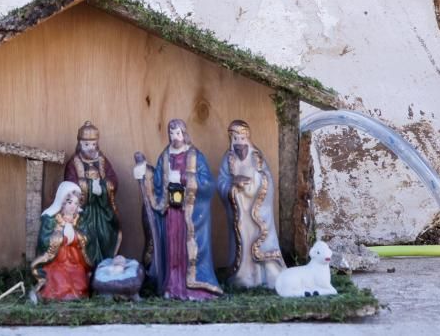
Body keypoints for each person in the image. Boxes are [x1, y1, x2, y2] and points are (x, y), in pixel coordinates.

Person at [133, 117, 220, 299]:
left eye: (178, 133)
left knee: (187, 249)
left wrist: (185, 180)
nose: (175, 137)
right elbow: (157, 180)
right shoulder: (165, 156)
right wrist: (145, 171)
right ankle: (173, 286)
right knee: (173, 249)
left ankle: (193, 287)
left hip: (189, 213)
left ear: (184, 133)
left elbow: (208, 183)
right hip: (171, 212)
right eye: (171, 133)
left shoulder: (195, 155)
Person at [216, 119, 286, 289]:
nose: (239, 143)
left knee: (263, 240)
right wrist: (233, 185)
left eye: (242, 138)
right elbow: (221, 183)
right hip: (240, 212)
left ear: (247, 137)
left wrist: (254, 180)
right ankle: (244, 277)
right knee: (243, 244)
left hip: (258, 210)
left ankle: (269, 276)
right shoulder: (228, 159)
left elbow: (267, 178)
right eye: (235, 139)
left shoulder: (257, 157)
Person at [66, 122, 121, 263]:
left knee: (106, 235)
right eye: (86, 145)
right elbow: (70, 185)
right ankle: (88, 268)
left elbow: (113, 179)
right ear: (80, 144)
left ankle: (105, 265)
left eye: (93, 144)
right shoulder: (74, 162)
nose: (91, 148)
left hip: (102, 209)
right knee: (87, 237)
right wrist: (90, 187)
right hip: (83, 211)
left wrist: (102, 187)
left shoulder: (102, 160)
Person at [33, 181, 93, 301]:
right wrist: (59, 236)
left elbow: (88, 237)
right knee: (60, 282)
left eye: (76, 203)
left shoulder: (80, 220)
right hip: (56, 262)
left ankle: (75, 295)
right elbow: (43, 240)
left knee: (80, 282)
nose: (73, 206)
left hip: (75, 261)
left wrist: (76, 236)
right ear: (62, 202)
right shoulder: (51, 220)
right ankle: (58, 295)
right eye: (69, 202)